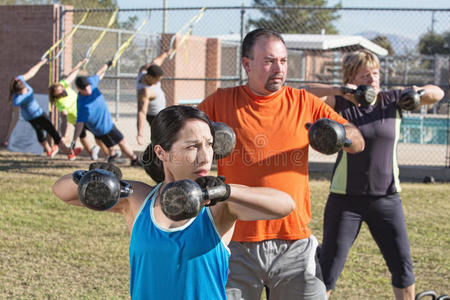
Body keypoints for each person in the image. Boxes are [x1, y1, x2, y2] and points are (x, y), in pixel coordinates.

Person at [52, 105, 295, 300]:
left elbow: (284, 204)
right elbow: (62, 191)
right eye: (193, 146)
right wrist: (89, 178)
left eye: (209, 145)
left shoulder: (220, 204)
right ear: (161, 153)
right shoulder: (138, 200)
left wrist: (227, 191)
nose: (205, 156)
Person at [197, 28, 365, 300]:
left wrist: (339, 135)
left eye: (283, 61)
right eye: (269, 61)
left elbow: (358, 141)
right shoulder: (221, 101)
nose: (278, 68)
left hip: (293, 243)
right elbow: (183, 128)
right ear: (247, 64)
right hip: (234, 241)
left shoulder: (304, 103)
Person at [302, 50, 444, 300]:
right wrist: (339, 89)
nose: (372, 79)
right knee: (329, 268)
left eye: (375, 73)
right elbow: (302, 95)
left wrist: (418, 94)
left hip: (387, 199)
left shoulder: (393, 100)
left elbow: (437, 93)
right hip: (345, 201)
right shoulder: (340, 104)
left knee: (402, 266)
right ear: (352, 78)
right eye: (365, 75)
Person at [8, 58, 82, 160]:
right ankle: (70, 152)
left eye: (25, 88)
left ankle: (49, 150)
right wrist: (9, 135)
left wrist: (41, 62)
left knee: (41, 132)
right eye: (23, 91)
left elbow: (31, 73)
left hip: (37, 112)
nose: (26, 90)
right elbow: (15, 117)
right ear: (18, 92)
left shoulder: (19, 80)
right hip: (34, 116)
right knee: (53, 132)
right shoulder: (17, 100)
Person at [71, 61, 139, 166]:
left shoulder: (91, 82)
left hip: (105, 125)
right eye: (85, 89)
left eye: (88, 86)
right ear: (79, 89)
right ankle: (134, 159)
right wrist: (74, 140)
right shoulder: (82, 104)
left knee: (110, 145)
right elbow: (79, 123)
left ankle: (112, 157)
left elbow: (99, 74)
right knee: (122, 141)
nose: (88, 90)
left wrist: (107, 64)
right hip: (102, 128)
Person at [48, 58, 102, 160]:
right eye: (60, 90)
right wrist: (63, 135)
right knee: (82, 137)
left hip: (85, 114)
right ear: (56, 95)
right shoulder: (60, 103)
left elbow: (71, 75)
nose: (62, 89)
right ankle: (92, 153)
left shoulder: (63, 85)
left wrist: (80, 63)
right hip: (77, 120)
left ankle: (104, 150)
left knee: (97, 133)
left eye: (61, 88)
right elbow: (64, 119)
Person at [136, 49, 173, 146]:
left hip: (162, 112)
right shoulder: (145, 91)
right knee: (163, 140)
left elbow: (155, 63)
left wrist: (165, 54)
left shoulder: (143, 71)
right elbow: (141, 112)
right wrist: (140, 133)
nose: (158, 82)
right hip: (155, 116)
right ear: (149, 77)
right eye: (157, 80)